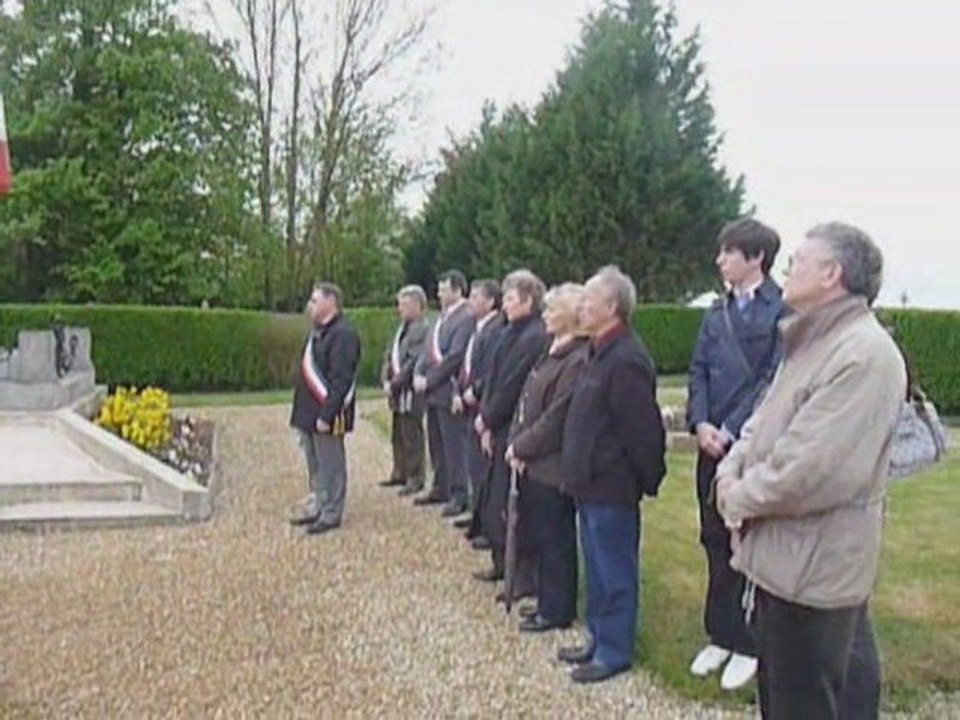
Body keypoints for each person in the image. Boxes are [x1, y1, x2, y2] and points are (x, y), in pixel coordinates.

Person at [715, 223, 906, 719]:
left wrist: (735, 497)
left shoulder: (863, 354)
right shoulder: (812, 341)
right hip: (786, 564)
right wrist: (731, 469)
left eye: (798, 259)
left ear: (831, 274)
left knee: (805, 704)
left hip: (812, 573)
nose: (787, 267)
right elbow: (760, 425)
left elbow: (807, 470)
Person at [686, 218, 786, 690]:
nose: (719, 260)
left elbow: (774, 378)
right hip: (710, 443)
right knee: (712, 538)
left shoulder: (783, 309)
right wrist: (701, 423)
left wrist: (730, 429)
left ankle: (750, 642)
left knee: (746, 541)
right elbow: (699, 369)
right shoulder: (715, 310)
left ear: (756, 258)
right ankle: (720, 632)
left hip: (751, 445)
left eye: (729, 252)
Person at [557, 265, 666, 684]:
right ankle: (598, 638)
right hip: (588, 484)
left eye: (588, 300)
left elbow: (641, 430)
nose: (581, 307)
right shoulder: (596, 352)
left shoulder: (627, 359)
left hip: (611, 486)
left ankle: (614, 651)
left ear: (612, 307)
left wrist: (644, 479)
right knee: (598, 570)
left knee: (615, 571)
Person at [506, 283, 589, 633]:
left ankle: (557, 609)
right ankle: (544, 598)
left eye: (552, 310)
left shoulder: (575, 359)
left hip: (551, 466)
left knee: (555, 539)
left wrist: (522, 446)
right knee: (540, 535)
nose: (545, 315)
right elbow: (528, 402)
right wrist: (517, 444)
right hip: (532, 462)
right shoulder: (551, 351)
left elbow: (556, 417)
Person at [473, 270, 549, 585]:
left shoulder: (533, 336)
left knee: (512, 504)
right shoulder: (507, 332)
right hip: (496, 424)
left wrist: (489, 418)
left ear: (528, 301)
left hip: (512, 425)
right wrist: (485, 418)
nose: (504, 304)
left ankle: (522, 574)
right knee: (494, 500)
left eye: (510, 298)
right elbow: (493, 379)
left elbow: (513, 383)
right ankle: (501, 563)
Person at [289, 283, 361, 535]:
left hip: (326, 414)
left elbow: (341, 379)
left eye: (315, 300)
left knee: (331, 464)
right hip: (309, 412)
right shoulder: (318, 332)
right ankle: (320, 505)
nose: (310, 305)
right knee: (315, 464)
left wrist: (326, 415)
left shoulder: (343, 334)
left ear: (331, 302)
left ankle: (332, 511)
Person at [413, 270, 476, 517]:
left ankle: (460, 493)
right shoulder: (440, 318)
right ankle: (441, 486)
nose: (439, 292)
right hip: (432, 391)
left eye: (443, 288)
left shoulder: (466, 317)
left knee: (454, 445)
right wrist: (418, 373)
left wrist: (429, 380)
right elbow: (426, 351)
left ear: (458, 290)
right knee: (436, 442)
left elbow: (455, 356)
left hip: (449, 388)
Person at [452, 279, 505, 540]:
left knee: (484, 468)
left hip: (483, 404)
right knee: (473, 464)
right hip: (468, 403)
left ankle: (487, 524)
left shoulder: (496, 330)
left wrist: (474, 392)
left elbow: (491, 371)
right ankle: (477, 515)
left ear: (491, 301)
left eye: (475, 296)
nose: (470, 301)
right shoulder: (477, 328)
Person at [379, 285, 430, 496]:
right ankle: (399, 471)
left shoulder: (422, 329)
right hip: (396, 390)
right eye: (400, 303)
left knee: (412, 434)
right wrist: (384, 379)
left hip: (410, 390)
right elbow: (389, 356)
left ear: (418, 305)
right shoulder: (401, 329)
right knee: (398, 433)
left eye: (405, 304)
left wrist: (396, 383)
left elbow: (413, 361)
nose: (400, 308)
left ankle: (415, 476)